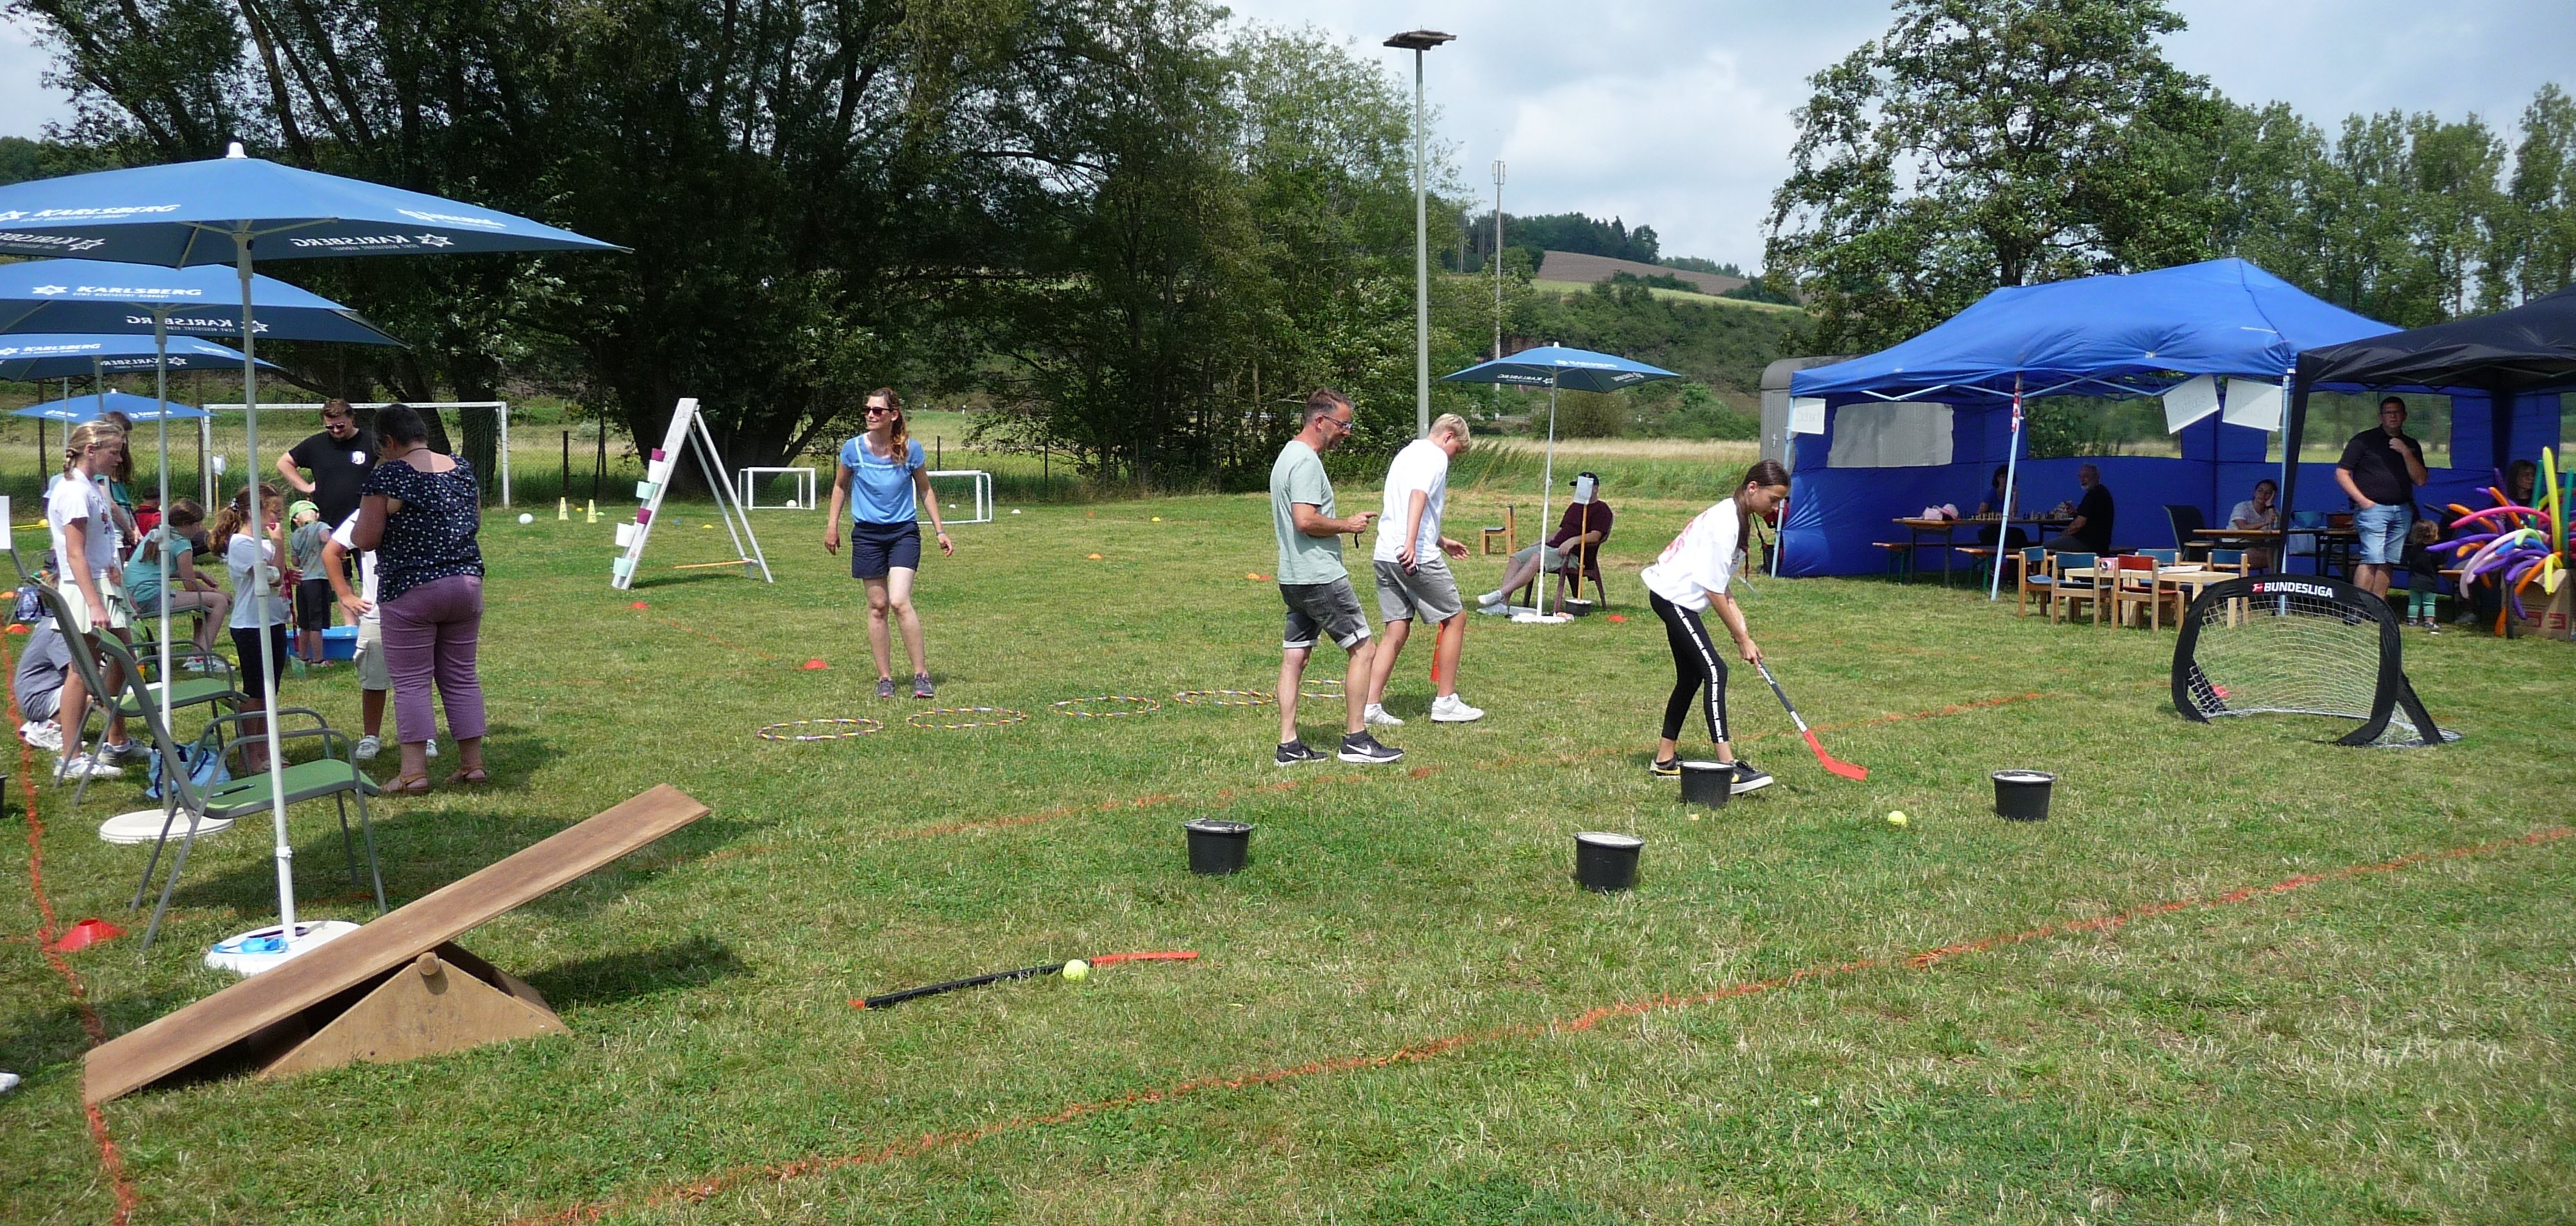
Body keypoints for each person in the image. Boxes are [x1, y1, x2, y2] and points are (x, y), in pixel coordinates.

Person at [352, 405, 489, 792]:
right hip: (465, 584)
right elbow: (474, 520)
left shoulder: (389, 474)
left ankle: (413, 772)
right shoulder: (461, 468)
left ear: (390, 442)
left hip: (410, 590)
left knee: (411, 682)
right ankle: (472, 764)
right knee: (461, 676)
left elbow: (365, 539)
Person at [1639, 459, 1786, 794]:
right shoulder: (1725, 522)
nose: (1775, 506)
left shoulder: (1736, 516)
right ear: (1753, 488)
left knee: (1692, 676)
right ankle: (1727, 768)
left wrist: (1745, 634)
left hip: (1675, 598)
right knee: (1716, 672)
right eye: (1773, 499)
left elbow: (1724, 585)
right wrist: (1739, 639)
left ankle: (1664, 760)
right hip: (1674, 598)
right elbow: (1712, 590)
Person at [1269, 389, 1397, 766]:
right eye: (1343, 424)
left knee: (1295, 658)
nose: (1347, 432)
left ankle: (1288, 745)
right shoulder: (1306, 461)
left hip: (1293, 577)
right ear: (1319, 421)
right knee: (1364, 649)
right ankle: (1357, 740)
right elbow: (1305, 520)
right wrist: (1347, 524)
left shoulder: (1286, 456)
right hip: (1319, 577)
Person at [822, 387, 953, 699]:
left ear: (893, 415)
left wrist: (940, 531)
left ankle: (921, 675)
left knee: (898, 601)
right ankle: (885, 679)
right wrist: (832, 526)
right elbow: (840, 486)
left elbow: (925, 490)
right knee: (878, 607)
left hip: (903, 533)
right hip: (867, 535)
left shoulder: (911, 450)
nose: (870, 415)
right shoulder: (852, 449)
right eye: (867, 409)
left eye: (877, 411)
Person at [1359, 414, 1480, 726]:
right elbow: (1418, 496)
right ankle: (1446, 702)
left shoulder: (1407, 453)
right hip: (1412, 555)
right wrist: (1412, 543)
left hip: (1385, 552)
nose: (1453, 458)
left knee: (1396, 627)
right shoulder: (1435, 456)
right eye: (1457, 451)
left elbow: (1404, 505)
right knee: (1455, 617)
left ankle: (1369, 706)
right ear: (1449, 436)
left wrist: (1440, 540)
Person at [45, 419, 139, 779]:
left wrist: (114, 572)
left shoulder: (93, 488)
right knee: (82, 670)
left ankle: (116, 739)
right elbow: (74, 554)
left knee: (125, 659)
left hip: (103, 583)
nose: (119, 459)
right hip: (86, 589)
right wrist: (95, 602)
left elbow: (101, 544)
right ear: (91, 450)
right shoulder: (73, 492)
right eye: (114, 452)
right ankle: (70, 755)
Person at [321, 509, 436, 763]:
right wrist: (345, 595)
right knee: (373, 678)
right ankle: (371, 735)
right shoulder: (365, 514)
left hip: (418, 608)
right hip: (377, 611)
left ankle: (423, 733)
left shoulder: (423, 508)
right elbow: (331, 551)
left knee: (417, 676)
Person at [214, 482, 294, 773]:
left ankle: (266, 748)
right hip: (251, 624)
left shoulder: (263, 543)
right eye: (273, 511)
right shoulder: (241, 544)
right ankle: (251, 753)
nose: (278, 517)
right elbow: (270, 576)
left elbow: (280, 572)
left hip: (272, 621)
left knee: (269, 690)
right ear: (252, 512)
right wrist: (281, 546)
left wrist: (285, 566)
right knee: (255, 691)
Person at [2333, 395, 2428, 600]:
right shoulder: (2364, 440)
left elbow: (2420, 480)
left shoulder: (2411, 444)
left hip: (2402, 509)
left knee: (2388, 561)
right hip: (2373, 510)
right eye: (2388, 412)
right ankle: (2357, 607)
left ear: (2404, 416)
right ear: (2381, 416)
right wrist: (2363, 501)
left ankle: (2378, 609)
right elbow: (2342, 473)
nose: (2393, 416)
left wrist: (2405, 452)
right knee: (2371, 557)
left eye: (2397, 412)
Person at [1478, 473, 1616, 613]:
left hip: (1573, 554)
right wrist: (1543, 540)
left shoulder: (1602, 509)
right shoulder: (1575, 506)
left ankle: (1500, 594)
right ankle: (1503, 604)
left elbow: (1596, 536)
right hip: (1553, 546)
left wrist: (1574, 541)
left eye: (1582, 486)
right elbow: (1561, 531)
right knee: (1517, 558)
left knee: (1537, 558)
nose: (1578, 490)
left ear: (1595, 488)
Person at [121, 497, 231, 661]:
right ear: (186, 525)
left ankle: (197, 652)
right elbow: (190, 586)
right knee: (218, 601)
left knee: (204, 602)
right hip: (149, 595)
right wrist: (217, 592)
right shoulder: (182, 544)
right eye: (198, 524)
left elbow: (158, 571)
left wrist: (199, 574)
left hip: (132, 593)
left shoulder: (157, 533)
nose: (200, 529)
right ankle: (201, 657)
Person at [276, 399, 381, 531]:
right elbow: (284, 463)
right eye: (330, 427)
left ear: (352, 418)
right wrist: (306, 487)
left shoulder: (372, 442)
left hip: (365, 520)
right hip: (327, 523)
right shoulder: (316, 444)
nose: (336, 430)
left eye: (341, 426)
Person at [2465, 459, 2541, 626]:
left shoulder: (2539, 502)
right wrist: (2497, 521)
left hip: (2530, 551)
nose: (2531, 479)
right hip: (2503, 548)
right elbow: (2490, 527)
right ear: (2515, 478)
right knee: (2476, 568)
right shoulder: (2501, 501)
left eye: (2533, 475)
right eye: (2525, 475)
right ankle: (2473, 611)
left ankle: (2517, 613)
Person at [12, 618, 72, 752]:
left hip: (37, 692)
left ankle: (37, 726)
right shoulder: (58, 632)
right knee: (93, 690)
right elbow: (79, 671)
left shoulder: (53, 622)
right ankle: (47, 729)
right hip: (38, 698)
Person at [287, 500, 332, 665]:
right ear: (317, 514)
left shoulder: (295, 535)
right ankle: (318, 659)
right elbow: (326, 538)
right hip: (318, 579)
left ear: (295, 520)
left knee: (304, 622)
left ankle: (303, 656)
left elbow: (295, 561)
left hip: (302, 581)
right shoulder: (321, 526)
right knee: (316, 623)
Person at [2040, 463, 2115, 555]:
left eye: (2086, 476)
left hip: (2087, 543)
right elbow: (2090, 517)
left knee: (2044, 547)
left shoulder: (2093, 495)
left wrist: (2064, 533)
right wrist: (2075, 513)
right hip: (2100, 543)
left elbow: (2079, 524)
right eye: (2080, 477)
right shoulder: (2102, 492)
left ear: (2097, 477)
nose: (2082, 480)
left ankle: (2047, 569)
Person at [2227, 478, 2280, 571]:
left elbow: (2276, 529)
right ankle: (2274, 577)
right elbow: (2243, 527)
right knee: (2274, 557)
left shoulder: (2273, 512)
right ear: (2255, 493)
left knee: (2276, 553)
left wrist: (2270, 506)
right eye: (2260, 491)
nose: (2263, 495)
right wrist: (2265, 522)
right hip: (2235, 546)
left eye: (2268, 493)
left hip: (2259, 546)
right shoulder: (2242, 507)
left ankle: (2273, 577)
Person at [2401, 518, 2443, 632]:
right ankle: (2429, 622)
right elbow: (2440, 565)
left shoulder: (2413, 550)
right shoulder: (2434, 551)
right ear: (2432, 535)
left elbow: (2409, 561)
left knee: (2414, 603)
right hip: (2429, 582)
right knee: (2429, 603)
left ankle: (2412, 621)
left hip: (2413, 581)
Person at [1972, 465, 2027, 550]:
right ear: (1998, 478)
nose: (2005, 479)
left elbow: (2013, 514)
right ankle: (2014, 560)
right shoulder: (1992, 493)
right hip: (1987, 530)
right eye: (2003, 477)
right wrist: (1996, 515)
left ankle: (2021, 560)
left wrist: (2015, 495)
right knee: (2014, 536)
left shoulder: (2009, 494)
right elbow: (1979, 514)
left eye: (2008, 477)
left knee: (2020, 534)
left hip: (2002, 529)